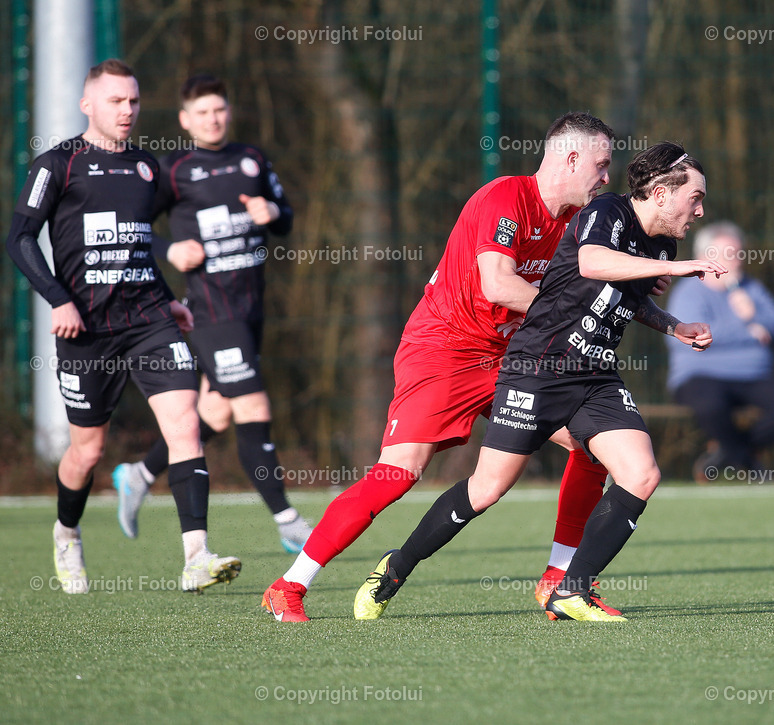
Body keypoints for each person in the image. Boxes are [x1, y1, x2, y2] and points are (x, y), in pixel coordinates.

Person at [261, 112, 619, 622]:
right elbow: (498, 286)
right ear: (571, 157)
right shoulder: (506, 198)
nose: (607, 177)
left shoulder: (577, 221)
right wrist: (572, 312)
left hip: (506, 359)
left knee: (593, 445)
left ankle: (559, 579)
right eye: (602, 165)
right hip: (443, 350)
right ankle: (289, 585)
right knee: (398, 474)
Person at [351, 141, 724, 622]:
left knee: (641, 473)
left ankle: (572, 590)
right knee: (486, 489)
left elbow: (624, 299)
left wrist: (674, 325)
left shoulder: (660, 245)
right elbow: (593, 263)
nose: (699, 209)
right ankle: (395, 568)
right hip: (539, 367)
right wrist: (674, 268)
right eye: (694, 197)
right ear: (660, 192)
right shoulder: (608, 211)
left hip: (595, 374)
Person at [4, 59, 240, 594]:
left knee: (183, 424)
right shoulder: (57, 165)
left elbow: (136, 238)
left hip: (150, 321)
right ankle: (67, 532)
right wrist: (58, 300)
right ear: (87, 104)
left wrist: (166, 298)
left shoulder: (146, 168)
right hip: (85, 330)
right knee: (87, 451)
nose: (127, 110)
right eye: (115, 101)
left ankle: (196, 556)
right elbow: (19, 239)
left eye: (133, 101)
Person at [110, 74, 312, 552]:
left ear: (228, 112)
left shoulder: (252, 159)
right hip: (209, 311)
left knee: (215, 415)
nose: (213, 119)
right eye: (202, 113)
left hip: (250, 310)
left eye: (219, 110)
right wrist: (169, 248)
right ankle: (288, 521)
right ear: (185, 120)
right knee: (253, 408)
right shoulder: (174, 169)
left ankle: (139, 473)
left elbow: (285, 216)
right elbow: (133, 227)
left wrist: (272, 213)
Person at [665, 221, 774, 479]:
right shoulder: (689, 292)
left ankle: (727, 453)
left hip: (753, 374)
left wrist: (754, 315)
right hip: (702, 374)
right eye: (728, 255)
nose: (737, 261)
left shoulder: (751, 289)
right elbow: (693, 335)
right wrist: (748, 327)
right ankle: (749, 465)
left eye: (739, 254)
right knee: (711, 408)